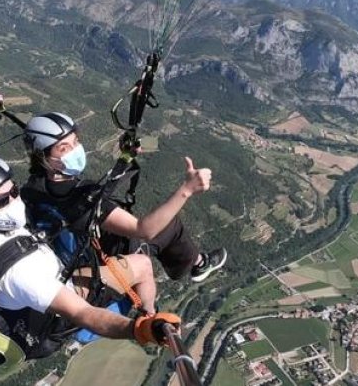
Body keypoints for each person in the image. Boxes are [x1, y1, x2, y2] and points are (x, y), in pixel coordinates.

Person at [0, 153, 183, 359]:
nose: (13, 202)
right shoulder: (21, 273)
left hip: (35, 288)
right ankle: (149, 313)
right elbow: (84, 313)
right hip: (56, 307)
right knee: (142, 265)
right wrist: (141, 329)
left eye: (14, 191)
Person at [13, 111, 227, 285]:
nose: (74, 150)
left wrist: (125, 158)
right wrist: (187, 189)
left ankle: (196, 262)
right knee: (170, 226)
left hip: (79, 251)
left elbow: (104, 188)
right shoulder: (82, 197)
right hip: (111, 257)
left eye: (75, 141)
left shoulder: (32, 189)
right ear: (43, 157)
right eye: (63, 148)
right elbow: (143, 229)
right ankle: (200, 264)